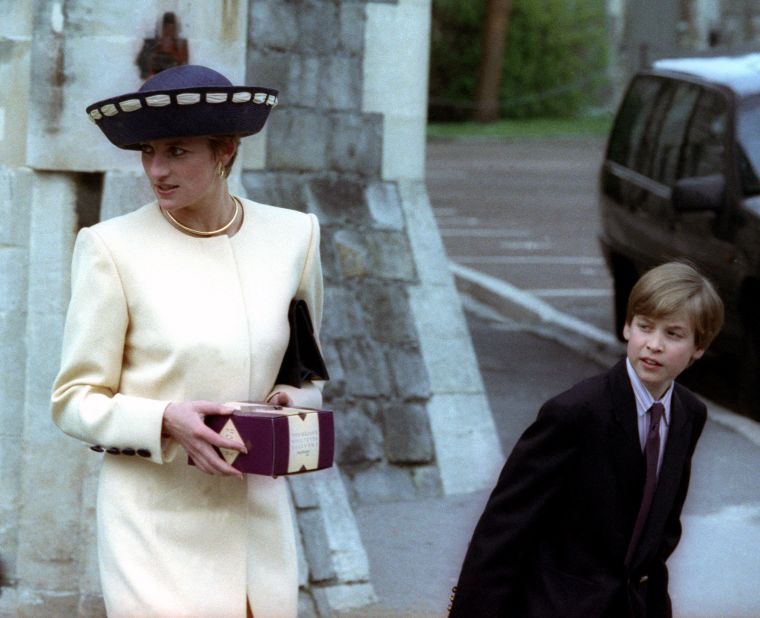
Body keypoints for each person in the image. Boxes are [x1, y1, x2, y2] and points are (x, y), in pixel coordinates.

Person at [51, 64, 324, 618]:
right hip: (153, 527)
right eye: (148, 152)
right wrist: (165, 420)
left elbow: (305, 370)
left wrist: (296, 402)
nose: (156, 169)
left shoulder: (295, 235)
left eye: (177, 151)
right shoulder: (110, 248)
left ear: (225, 150)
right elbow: (73, 401)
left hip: (256, 524)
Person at [448, 262, 724, 618]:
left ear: (698, 347)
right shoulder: (575, 412)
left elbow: (660, 531)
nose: (653, 345)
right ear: (627, 327)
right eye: (644, 327)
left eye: (673, 334)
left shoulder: (688, 414)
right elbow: (503, 530)